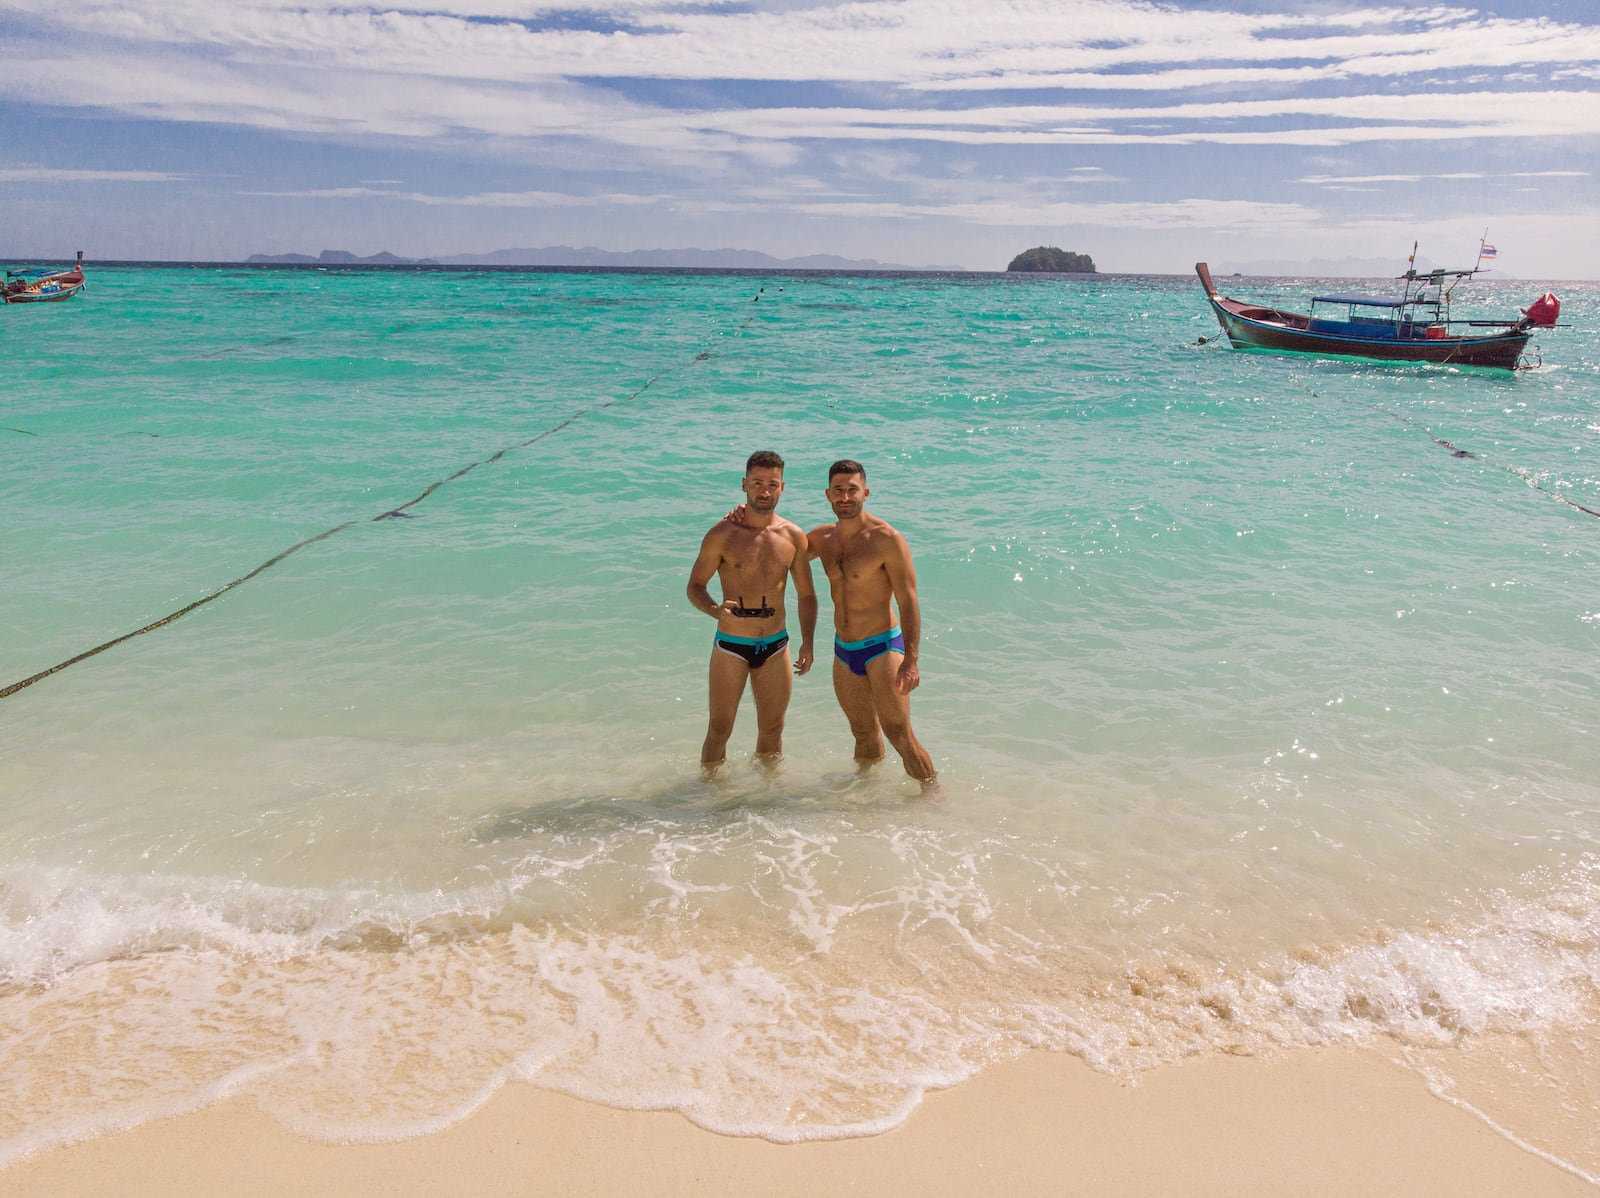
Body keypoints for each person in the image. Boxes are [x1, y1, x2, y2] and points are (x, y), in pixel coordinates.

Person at [686, 450, 817, 773]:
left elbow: (807, 595)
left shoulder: (792, 536)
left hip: (776, 644)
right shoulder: (722, 534)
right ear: (744, 485)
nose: (765, 490)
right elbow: (695, 586)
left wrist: (808, 643)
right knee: (719, 728)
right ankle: (708, 799)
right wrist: (715, 611)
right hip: (732, 645)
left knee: (772, 730)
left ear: (782, 487)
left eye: (772, 484)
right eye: (757, 483)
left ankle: (766, 801)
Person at [807, 460, 936, 784]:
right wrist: (741, 517)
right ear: (828, 494)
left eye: (852, 490)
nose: (845, 497)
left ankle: (932, 798)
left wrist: (911, 660)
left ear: (866, 492)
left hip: (883, 647)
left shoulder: (886, 539)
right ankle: (866, 799)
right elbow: (780, 546)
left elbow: (908, 600)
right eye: (838, 490)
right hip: (844, 650)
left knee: (898, 732)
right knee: (862, 733)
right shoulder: (822, 539)